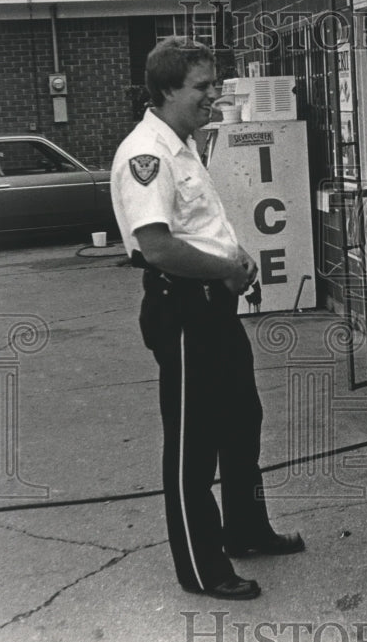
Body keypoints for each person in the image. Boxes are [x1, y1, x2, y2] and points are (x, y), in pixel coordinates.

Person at [110, 36, 304, 601]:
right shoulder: (147, 154)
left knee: (242, 419)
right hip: (184, 305)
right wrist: (223, 267)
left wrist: (233, 260)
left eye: (215, 84)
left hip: (214, 304)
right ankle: (201, 567)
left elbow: (198, 225)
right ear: (167, 89)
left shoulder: (184, 142)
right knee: (194, 442)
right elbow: (157, 247)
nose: (214, 96)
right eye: (202, 86)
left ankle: (244, 529)